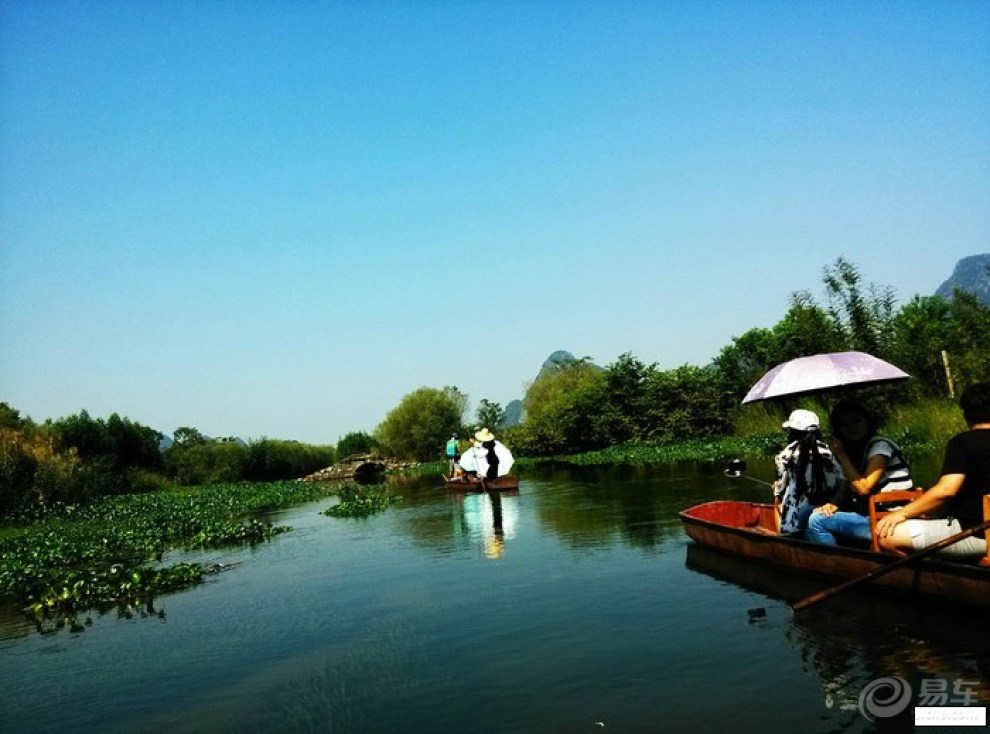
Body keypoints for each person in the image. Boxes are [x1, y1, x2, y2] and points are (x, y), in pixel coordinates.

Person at [875, 382, 990, 559]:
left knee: (886, 536)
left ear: (966, 414)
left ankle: (936, 579)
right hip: (980, 531)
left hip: (977, 535)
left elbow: (946, 491)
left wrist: (902, 513)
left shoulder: (962, 443)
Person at [806, 400, 914, 546]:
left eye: (856, 421)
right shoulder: (856, 452)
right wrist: (833, 504)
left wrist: (841, 454)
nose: (852, 428)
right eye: (844, 424)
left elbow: (864, 488)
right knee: (812, 517)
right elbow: (846, 484)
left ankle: (839, 565)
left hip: (890, 518)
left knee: (817, 521)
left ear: (867, 421)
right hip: (871, 515)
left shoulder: (880, 446)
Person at [773, 409, 845, 537]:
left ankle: (785, 534)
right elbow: (843, 480)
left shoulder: (787, 455)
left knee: (779, 500)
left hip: (806, 508)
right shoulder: (833, 450)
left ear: (792, 432)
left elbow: (781, 488)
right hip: (835, 504)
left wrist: (776, 493)